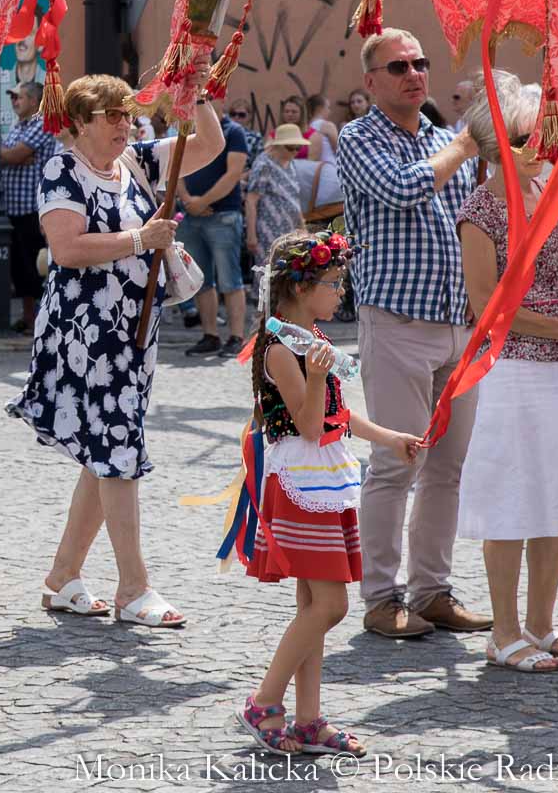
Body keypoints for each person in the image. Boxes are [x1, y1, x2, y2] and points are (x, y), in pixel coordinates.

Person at [6, 75, 225, 627]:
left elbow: (209, 145)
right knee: (117, 447)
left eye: (127, 114)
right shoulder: (62, 169)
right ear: (80, 122)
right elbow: (66, 248)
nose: (123, 125)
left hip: (133, 329)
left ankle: (62, 578)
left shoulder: (135, 162)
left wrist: (195, 92)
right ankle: (134, 587)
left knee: (105, 451)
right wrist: (138, 240)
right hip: (84, 334)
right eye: (111, 116)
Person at [233, 230, 423, 757]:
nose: (341, 293)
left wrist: (391, 438)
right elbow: (311, 426)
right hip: (301, 484)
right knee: (331, 606)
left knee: (313, 604)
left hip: (326, 480)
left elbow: (340, 415)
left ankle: (308, 718)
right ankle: (264, 701)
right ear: (302, 284)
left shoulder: (307, 335)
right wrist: (314, 377)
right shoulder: (278, 350)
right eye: (334, 283)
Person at [335, 28, 493, 640]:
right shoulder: (359, 137)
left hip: (457, 326)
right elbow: (405, 189)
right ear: (371, 82)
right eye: (399, 65)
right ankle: (381, 597)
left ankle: (432, 591)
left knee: (448, 469)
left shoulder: (437, 138)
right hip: (397, 323)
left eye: (421, 62)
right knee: (395, 462)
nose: (414, 73)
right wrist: (464, 141)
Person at [453, 72, 558, 672]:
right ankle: (504, 631)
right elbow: (487, 306)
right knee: (513, 496)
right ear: (504, 142)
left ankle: (542, 624)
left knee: (557, 497)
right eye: (534, 133)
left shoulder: (545, 191)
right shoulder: (480, 209)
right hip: (514, 369)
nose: (547, 141)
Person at [178, 106, 250, 358]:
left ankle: (236, 337)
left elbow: (233, 174)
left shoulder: (233, 131)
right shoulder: (186, 128)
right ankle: (210, 335)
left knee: (230, 279)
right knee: (200, 280)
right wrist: (188, 199)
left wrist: (202, 201)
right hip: (191, 215)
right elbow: (177, 167)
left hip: (224, 214)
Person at [0, 82, 57, 334]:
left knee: (34, 267)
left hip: (32, 209)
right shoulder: (18, 127)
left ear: (34, 101)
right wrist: (11, 155)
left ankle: (37, 321)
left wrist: (9, 154)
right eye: (12, 97)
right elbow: (10, 156)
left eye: (18, 97)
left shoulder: (41, 124)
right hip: (13, 207)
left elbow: (11, 156)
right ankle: (28, 317)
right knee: (20, 268)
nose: (14, 101)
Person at [245, 124, 308, 267]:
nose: (295, 152)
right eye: (290, 148)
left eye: (298, 148)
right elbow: (251, 200)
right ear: (278, 146)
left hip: (290, 233)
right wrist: (251, 235)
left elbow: (293, 199)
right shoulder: (264, 164)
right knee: (267, 276)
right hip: (268, 232)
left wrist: (303, 228)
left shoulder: (290, 164)